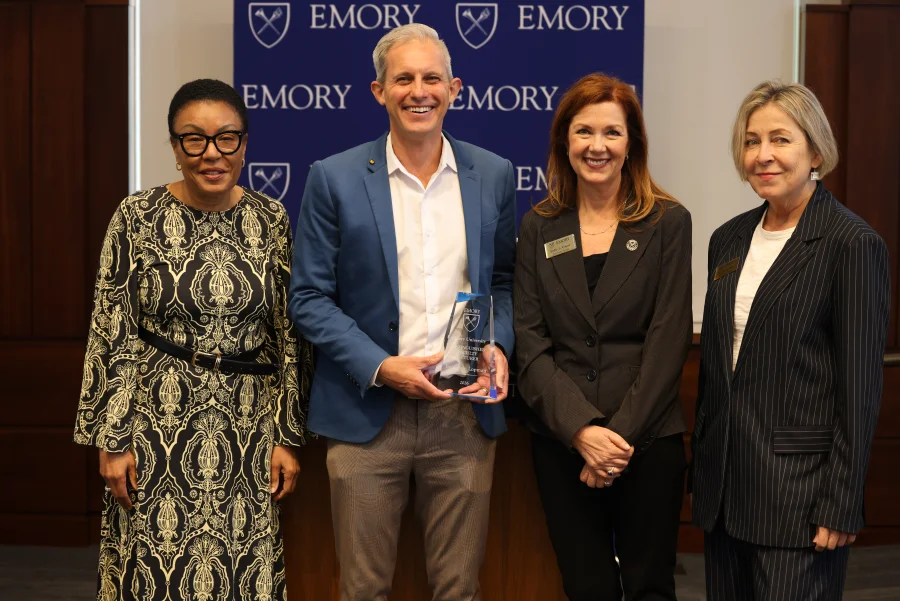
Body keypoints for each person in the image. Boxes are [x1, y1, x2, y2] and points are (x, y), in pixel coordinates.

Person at [288, 23, 515, 601]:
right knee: (363, 589)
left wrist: (497, 344)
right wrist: (383, 366)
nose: (420, 90)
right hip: (367, 414)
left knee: (459, 589)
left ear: (455, 88)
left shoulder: (493, 175)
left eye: (432, 78)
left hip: (462, 412)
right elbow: (308, 297)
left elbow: (506, 283)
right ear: (378, 91)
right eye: (404, 78)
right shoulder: (333, 178)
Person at [74, 79, 313, 601]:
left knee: (240, 573)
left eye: (227, 138)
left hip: (248, 429)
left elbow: (290, 335)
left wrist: (286, 435)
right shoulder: (136, 217)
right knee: (155, 574)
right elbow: (110, 330)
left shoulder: (271, 219)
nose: (212, 153)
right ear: (175, 147)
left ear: (245, 145)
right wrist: (111, 440)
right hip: (155, 422)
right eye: (194, 139)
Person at [690, 81, 890, 600]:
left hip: (800, 500)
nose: (763, 156)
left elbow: (860, 388)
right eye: (752, 141)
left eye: (781, 139)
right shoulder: (728, 239)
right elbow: (720, 367)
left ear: (816, 150)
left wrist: (841, 502)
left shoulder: (852, 243)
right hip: (726, 494)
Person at [514, 73, 693, 601]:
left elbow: (668, 338)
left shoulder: (667, 222)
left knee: (649, 588)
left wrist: (616, 443)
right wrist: (582, 433)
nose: (597, 146)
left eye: (612, 133)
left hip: (648, 441)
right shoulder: (538, 227)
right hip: (563, 442)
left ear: (631, 142)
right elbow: (529, 342)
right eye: (583, 132)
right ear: (564, 143)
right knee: (585, 587)